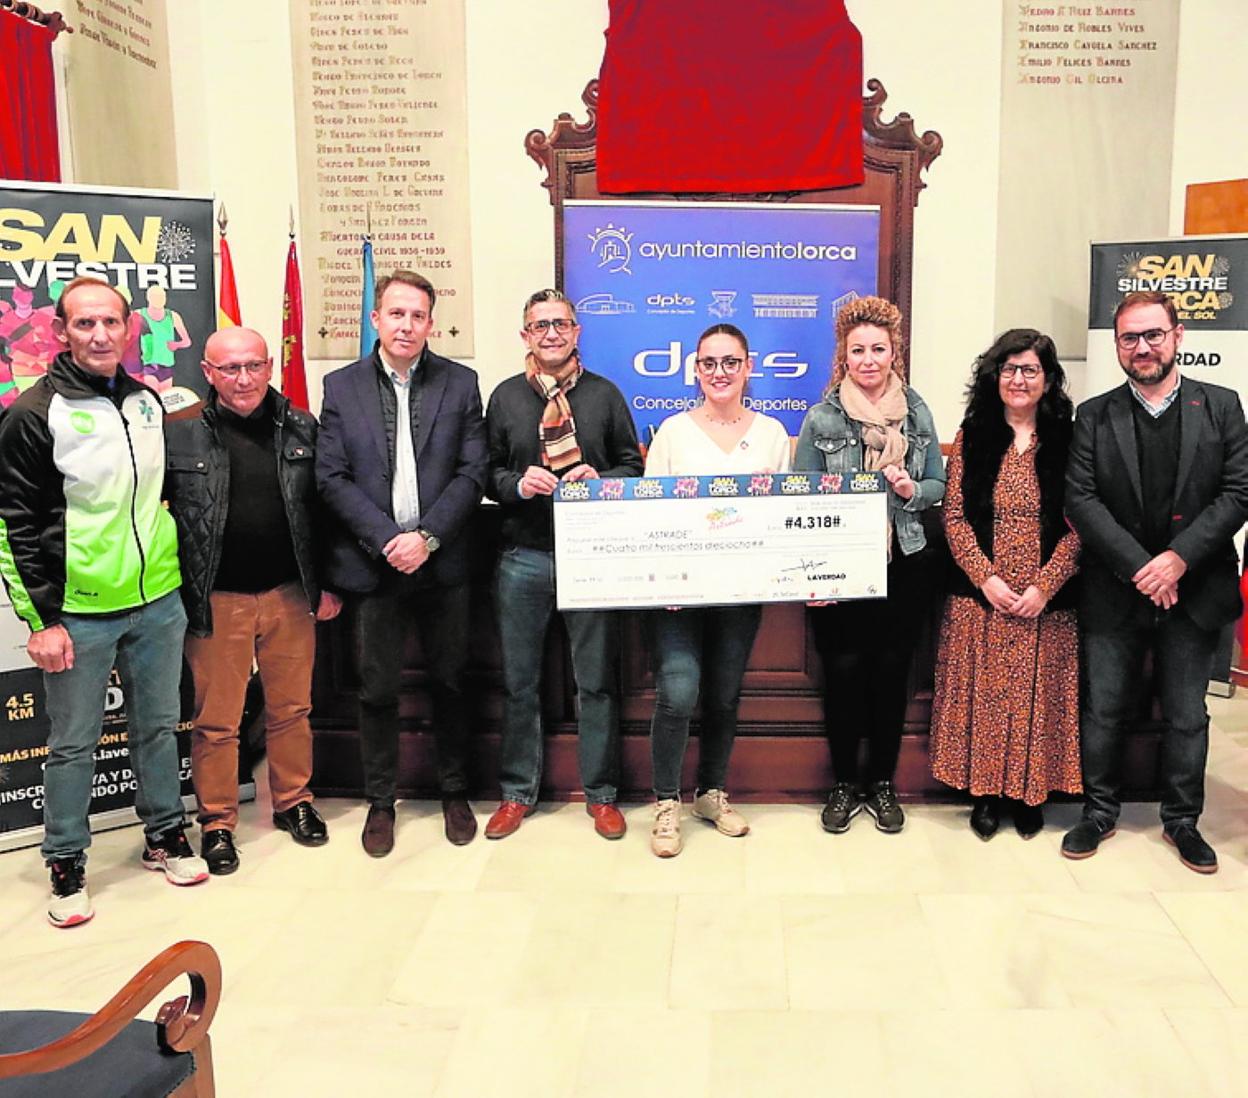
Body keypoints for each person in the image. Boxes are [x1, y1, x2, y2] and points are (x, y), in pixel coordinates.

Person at [0, 277, 207, 928]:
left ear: (127, 329)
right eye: (84, 324)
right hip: (79, 613)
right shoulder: (34, 413)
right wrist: (41, 620)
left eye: (110, 323)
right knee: (72, 744)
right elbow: (13, 524)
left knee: (156, 726)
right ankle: (65, 862)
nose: (99, 335)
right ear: (61, 331)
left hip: (157, 602)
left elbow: (162, 495)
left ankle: (165, 833)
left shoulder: (147, 402)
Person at [1063, 290, 1248, 873]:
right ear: (1117, 344)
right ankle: (1098, 812)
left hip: (1195, 590)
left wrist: (1177, 561)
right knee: (1104, 710)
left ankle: (1183, 821)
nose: (1141, 348)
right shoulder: (1094, 414)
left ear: (1177, 336)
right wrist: (1144, 568)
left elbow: (1238, 492)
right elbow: (1081, 500)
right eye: (1129, 338)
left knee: (1188, 714)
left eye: (1152, 335)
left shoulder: (1221, 405)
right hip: (1115, 589)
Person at [316, 270, 488, 856]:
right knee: (376, 690)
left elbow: (473, 473)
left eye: (417, 315)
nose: (406, 325)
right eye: (396, 314)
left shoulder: (461, 384)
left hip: (443, 564)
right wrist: (390, 539)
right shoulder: (340, 387)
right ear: (376, 319)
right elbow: (331, 477)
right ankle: (381, 801)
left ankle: (455, 791)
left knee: (450, 682)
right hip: (374, 564)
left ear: (431, 323)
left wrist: (429, 538)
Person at [165, 327, 343, 875]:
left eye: (252, 366)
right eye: (229, 369)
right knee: (217, 721)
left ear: (270, 367)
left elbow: (325, 512)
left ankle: (294, 802)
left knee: (292, 709)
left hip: (290, 594)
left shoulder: (303, 428)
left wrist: (328, 583)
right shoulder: (180, 435)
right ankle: (217, 823)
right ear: (208, 373)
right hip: (217, 599)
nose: (243, 379)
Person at [484, 288, 643, 840]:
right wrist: (515, 482)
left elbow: (632, 466)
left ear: (577, 333)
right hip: (522, 557)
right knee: (521, 683)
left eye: (561, 324)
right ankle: (516, 794)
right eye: (539, 325)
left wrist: (603, 480)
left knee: (596, 683)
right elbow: (485, 474)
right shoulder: (504, 398)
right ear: (525, 335)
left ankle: (601, 795)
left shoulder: (605, 394)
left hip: (593, 557)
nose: (551, 333)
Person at [794, 295, 945, 834]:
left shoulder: (919, 410)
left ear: (892, 351)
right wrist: (812, 572)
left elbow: (939, 487)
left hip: (904, 559)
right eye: (857, 350)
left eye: (878, 349)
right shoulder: (822, 417)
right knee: (844, 673)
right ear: (844, 354)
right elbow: (803, 497)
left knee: (889, 673)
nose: (868, 359)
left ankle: (881, 783)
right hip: (840, 563)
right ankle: (843, 784)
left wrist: (912, 488)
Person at [642, 322, 791, 857]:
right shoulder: (672, 432)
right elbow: (650, 515)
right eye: (709, 363)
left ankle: (710, 793)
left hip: (741, 592)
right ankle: (666, 802)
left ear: (749, 368)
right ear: (696, 370)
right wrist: (663, 575)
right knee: (678, 693)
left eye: (730, 362)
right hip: (678, 593)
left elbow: (783, 515)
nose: (720, 373)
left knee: (724, 696)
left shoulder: (773, 434)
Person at [929, 329, 1081, 839]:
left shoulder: (1069, 438)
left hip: (1047, 600)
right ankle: (987, 794)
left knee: (1036, 699)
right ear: (995, 377)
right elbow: (954, 517)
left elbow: (1083, 522)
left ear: (1048, 379)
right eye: (1009, 369)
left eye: (1030, 370)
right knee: (988, 699)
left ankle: (1029, 793)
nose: (1018, 379)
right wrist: (986, 579)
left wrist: (1045, 585)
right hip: (983, 598)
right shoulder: (975, 434)